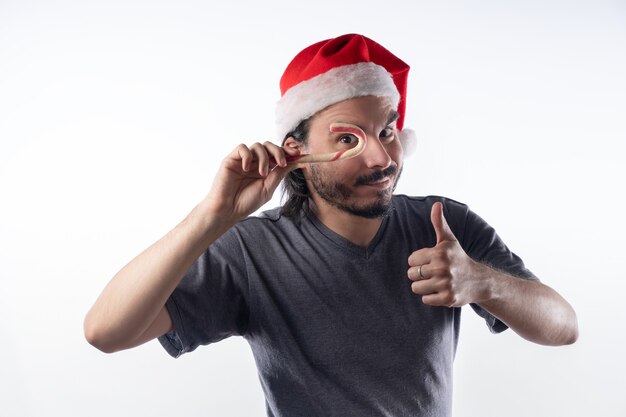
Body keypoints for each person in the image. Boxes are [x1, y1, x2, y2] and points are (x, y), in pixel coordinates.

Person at [84, 33, 578, 416]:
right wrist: (209, 218)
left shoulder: (443, 225)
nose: (382, 158)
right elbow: (105, 331)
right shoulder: (252, 250)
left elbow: (563, 327)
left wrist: (482, 281)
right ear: (296, 152)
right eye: (347, 140)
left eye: (387, 130)